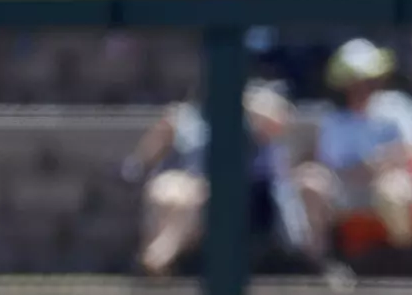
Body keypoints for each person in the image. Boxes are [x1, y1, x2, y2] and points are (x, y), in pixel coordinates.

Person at [122, 83, 308, 277]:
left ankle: (157, 259)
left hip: (238, 200)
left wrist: (247, 105)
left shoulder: (251, 116)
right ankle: (158, 258)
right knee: (165, 191)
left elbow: (280, 122)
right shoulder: (182, 118)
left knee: (194, 199)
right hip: (186, 187)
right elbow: (139, 163)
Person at [294, 39, 412, 263]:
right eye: (353, 82)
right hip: (348, 189)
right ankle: (322, 265)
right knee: (310, 182)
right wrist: (372, 163)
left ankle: (406, 261)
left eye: (367, 80)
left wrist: (378, 164)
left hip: (396, 182)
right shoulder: (335, 120)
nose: (361, 87)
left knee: (391, 192)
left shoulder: (398, 106)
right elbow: (333, 165)